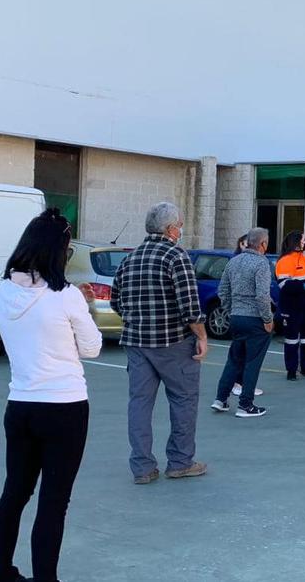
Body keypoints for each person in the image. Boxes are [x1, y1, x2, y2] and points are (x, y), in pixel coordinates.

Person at [0, 208, 102, 582]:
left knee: (14, 494)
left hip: (20, 404)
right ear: (59, 251)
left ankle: (2, 573)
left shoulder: (3, 290)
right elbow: (92, 347)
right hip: (64, 407)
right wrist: (83, 307)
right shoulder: (66, 296)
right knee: (54, 503)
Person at [112, 202, 208, 485]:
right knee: (183, 400)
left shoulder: (131, 258)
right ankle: (180, 462)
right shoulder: (176, 255)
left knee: (139, 403)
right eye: (179, 225)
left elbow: (116, 300)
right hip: (173, 342)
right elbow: (190, 306)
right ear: (170, 229)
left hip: (137, 343)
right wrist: (201, 336)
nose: (181, 230)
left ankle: (142, 467)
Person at [211, 227, 274, 418]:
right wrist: (268, 319)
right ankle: (246, 404)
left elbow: (222, 291)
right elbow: (262, 296)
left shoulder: (234, 261)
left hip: (237, 317)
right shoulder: (262, 264)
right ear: (263, 244)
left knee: (234, 360)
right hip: (255, 319)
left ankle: (220, 399)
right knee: (252, 363)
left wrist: (232, 310)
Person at [276, 230, 305, 380]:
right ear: (296, 243)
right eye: (303, 240)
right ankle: (291, 370)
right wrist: (303, 287)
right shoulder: (284, 261)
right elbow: (284, 284)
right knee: (291, 339)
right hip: (291, 307)